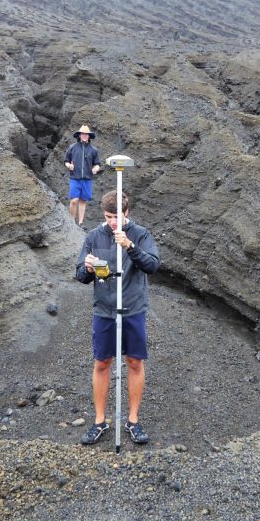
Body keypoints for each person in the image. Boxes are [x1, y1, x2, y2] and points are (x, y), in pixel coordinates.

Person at [75, 190, 160, 446]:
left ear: (127, 213)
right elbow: (81, 275)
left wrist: (130, 247)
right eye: (108, 216)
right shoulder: (94, 236)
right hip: (105, 310)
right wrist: (87, 268)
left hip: (133, 309)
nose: (112, 222)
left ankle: (133, 421)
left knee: (135, 362)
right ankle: (99, 422)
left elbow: (153, 265)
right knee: (102, 363)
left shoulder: (140, 234)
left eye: (117, 216)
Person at [64, 125, 102, 226]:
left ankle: (80, 222)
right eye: (83, 134)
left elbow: (97, 163)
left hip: (87, 179)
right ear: (79, 135)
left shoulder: (94, 150)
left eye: (86, 134)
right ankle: (72, 220)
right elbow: (66, 161)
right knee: (74, 200)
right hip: (75, 178)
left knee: (83, 201)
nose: (84, 136)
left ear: (89, 136)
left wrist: (96, 168)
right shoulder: (72, 147)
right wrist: (69, 166)